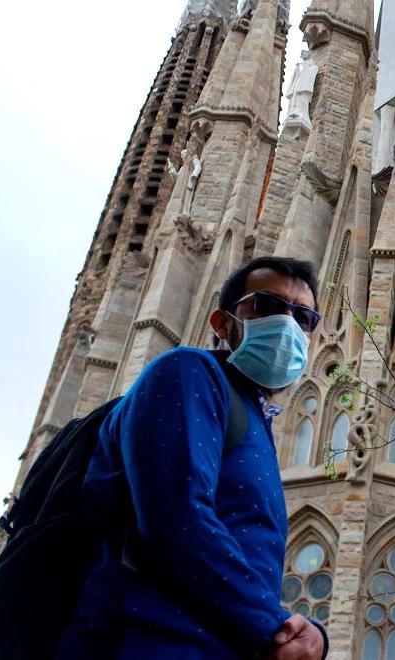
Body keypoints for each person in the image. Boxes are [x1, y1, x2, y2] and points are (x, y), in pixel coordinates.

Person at [58, 257, 328, 659]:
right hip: (144, 642)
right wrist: (278, 631)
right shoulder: (188, 372)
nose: (288, 324)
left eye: (303, 317)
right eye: (268, 307)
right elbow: (176, 520)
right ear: (222, 323)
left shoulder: (254, 417)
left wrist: (310, 635)